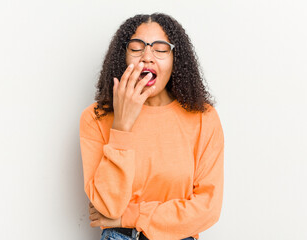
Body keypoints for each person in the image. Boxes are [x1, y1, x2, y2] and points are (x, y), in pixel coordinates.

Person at [79, 13, 224, 240]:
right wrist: (121, 127)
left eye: (160, 48)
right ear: (122, 57)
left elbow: (208, 209)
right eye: (136, 48)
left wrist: (131, 216)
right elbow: (106, 207)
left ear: (176, 58)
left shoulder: (203, 118)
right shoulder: (94, 118)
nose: (147, 57)